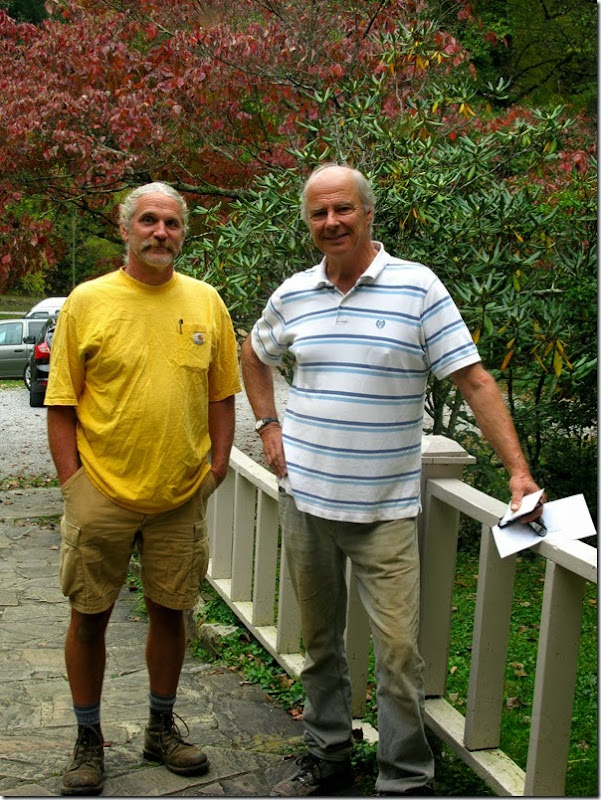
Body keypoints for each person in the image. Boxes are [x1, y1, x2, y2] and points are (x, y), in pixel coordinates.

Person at [240, 164, 543, 797]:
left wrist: (518, 472)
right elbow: (255, 351)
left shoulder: (417, 287)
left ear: (368, 212)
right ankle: (327, 756)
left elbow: (474, 379)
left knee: (399, 654)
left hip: (385, 511)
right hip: (307, 504)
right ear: (309, 221)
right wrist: (268, 427)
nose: (331, 223)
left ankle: (404, 778)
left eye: (343, 210)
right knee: (320, 642)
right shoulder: (293, 293)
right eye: (319, 213)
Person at [45, 182, 241, 796]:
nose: (161, 232)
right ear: (126, 229)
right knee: (89, 616)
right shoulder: (87, 300)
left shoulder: (207, 302)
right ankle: (87, 739)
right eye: (149, 221)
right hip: (99, 491)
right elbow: (61, 403)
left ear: (184, 232)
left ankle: (161, 728)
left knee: (171, 610)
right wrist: (72, 483)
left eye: (173, 223)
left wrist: (216, 468)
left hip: (180, 495)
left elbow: (221, 395)